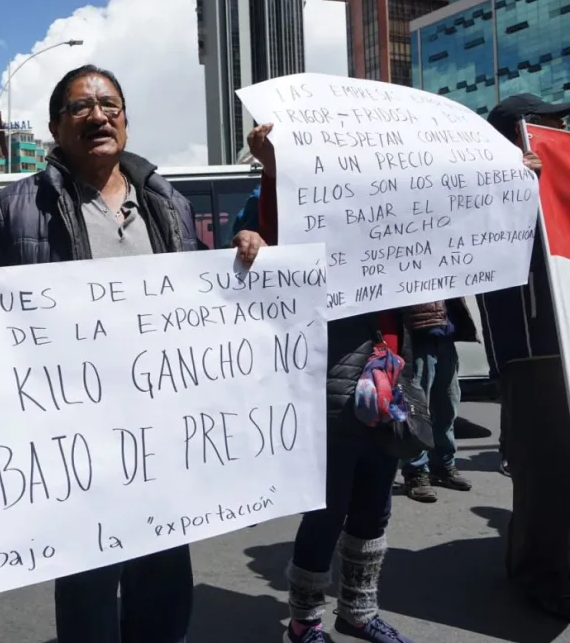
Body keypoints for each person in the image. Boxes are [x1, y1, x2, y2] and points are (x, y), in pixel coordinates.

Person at [0, 64, 197, 643]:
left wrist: (247, 250)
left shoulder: (170, 203)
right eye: (80, 107)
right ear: (57, 128)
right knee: (86, 591)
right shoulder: (17, 207)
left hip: (163, 434)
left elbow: (205, 300)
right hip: (74, 441)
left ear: (126, 123)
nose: (97, 116)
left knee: (164, 586)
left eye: (109, 104)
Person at [242, 123, 415, 643]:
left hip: (387, 387)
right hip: (328, 386)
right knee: (325, 510)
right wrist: (274, 171)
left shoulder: (390, 215)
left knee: (374, 507)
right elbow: (275, 237)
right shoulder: (306, 213)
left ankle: (358, 613)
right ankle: (304, 621)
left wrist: (508, 187)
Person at [479, 93, 570, 476]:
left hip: (558, 341)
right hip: (533, 352)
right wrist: (518, 189)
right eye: (547, 122)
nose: (561, 129)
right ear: (520, 134)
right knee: (543, 470)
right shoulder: (487, 186)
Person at [399, 299, 478, 502]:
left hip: (445, 332)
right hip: (418, 333)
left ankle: (442, 465)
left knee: (447, 406)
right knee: (416, 408)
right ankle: (415, 472)